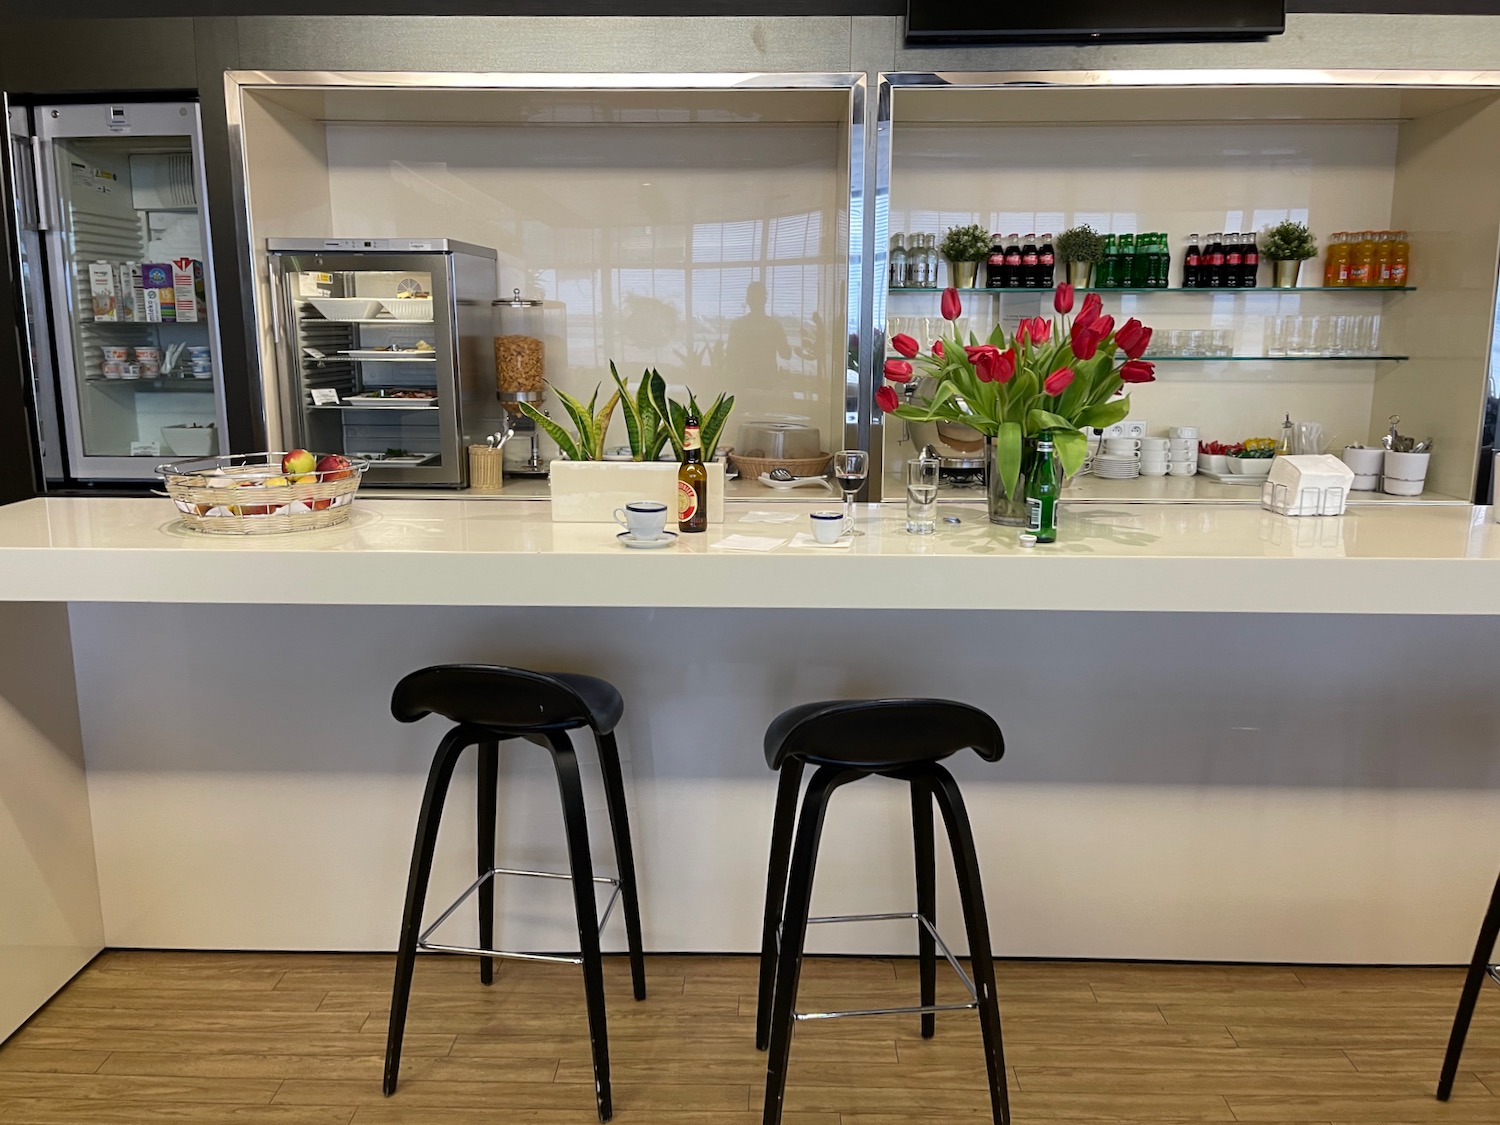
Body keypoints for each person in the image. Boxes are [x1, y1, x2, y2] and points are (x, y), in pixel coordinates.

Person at [726, 280, 791, 383]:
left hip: (746, 381)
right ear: (765, 300)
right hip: (767, 381)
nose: (755, 301)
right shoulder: (774, 325)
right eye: (754, 298)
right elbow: (786, 354)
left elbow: (730, 357)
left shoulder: (738, 325)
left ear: (747, 300)